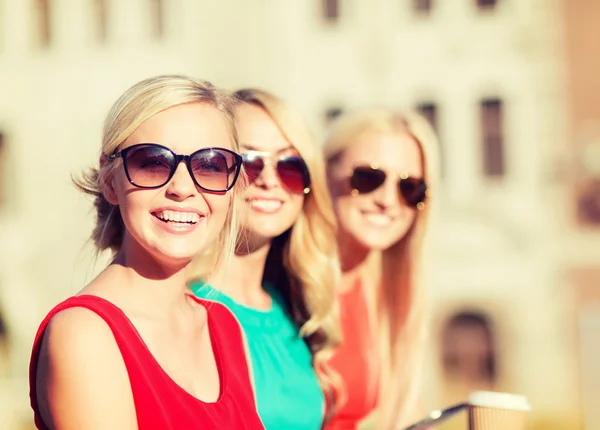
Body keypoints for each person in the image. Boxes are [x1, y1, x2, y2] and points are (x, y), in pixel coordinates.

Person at [28, 75, 264, 430]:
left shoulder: (225, 326)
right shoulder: (85, 336)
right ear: (110, 181)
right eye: (152, 162)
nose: (183, 188)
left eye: (211, 165)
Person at [190, 88, 340, 430]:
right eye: (249, 163)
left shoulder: (293, 309)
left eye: (290, 165)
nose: (271, 181)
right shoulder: (186, 308)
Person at [323, 108, 439, 430]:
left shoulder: (381, 297)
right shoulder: (281, 284)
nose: (388, 200)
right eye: (368, 178)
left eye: (410, 188)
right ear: (325, 174)